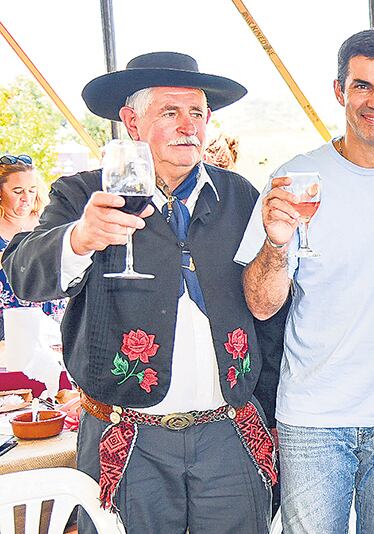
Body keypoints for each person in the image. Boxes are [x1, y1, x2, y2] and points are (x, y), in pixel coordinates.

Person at [1, 52, 278, 533]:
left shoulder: (240, 196)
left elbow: (269, 318)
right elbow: (24, 272)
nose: (187, 125)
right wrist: (79, 237)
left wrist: (269, 412)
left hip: (228, 437)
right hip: (126, 440)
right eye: (169, 113)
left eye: (197, 113)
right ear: (131, 121)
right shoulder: (84, 193)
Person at [235, 29, 374, 533]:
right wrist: (275, 242)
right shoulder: (295, 178)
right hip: (313, 417)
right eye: (362, 86)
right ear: (339, 92)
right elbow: (261, 305)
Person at [0, 155, 65, 338]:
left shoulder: (48, 222)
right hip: (6, 325)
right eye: (18, 191)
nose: (26, 198)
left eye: (32, 190)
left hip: (49, 322)